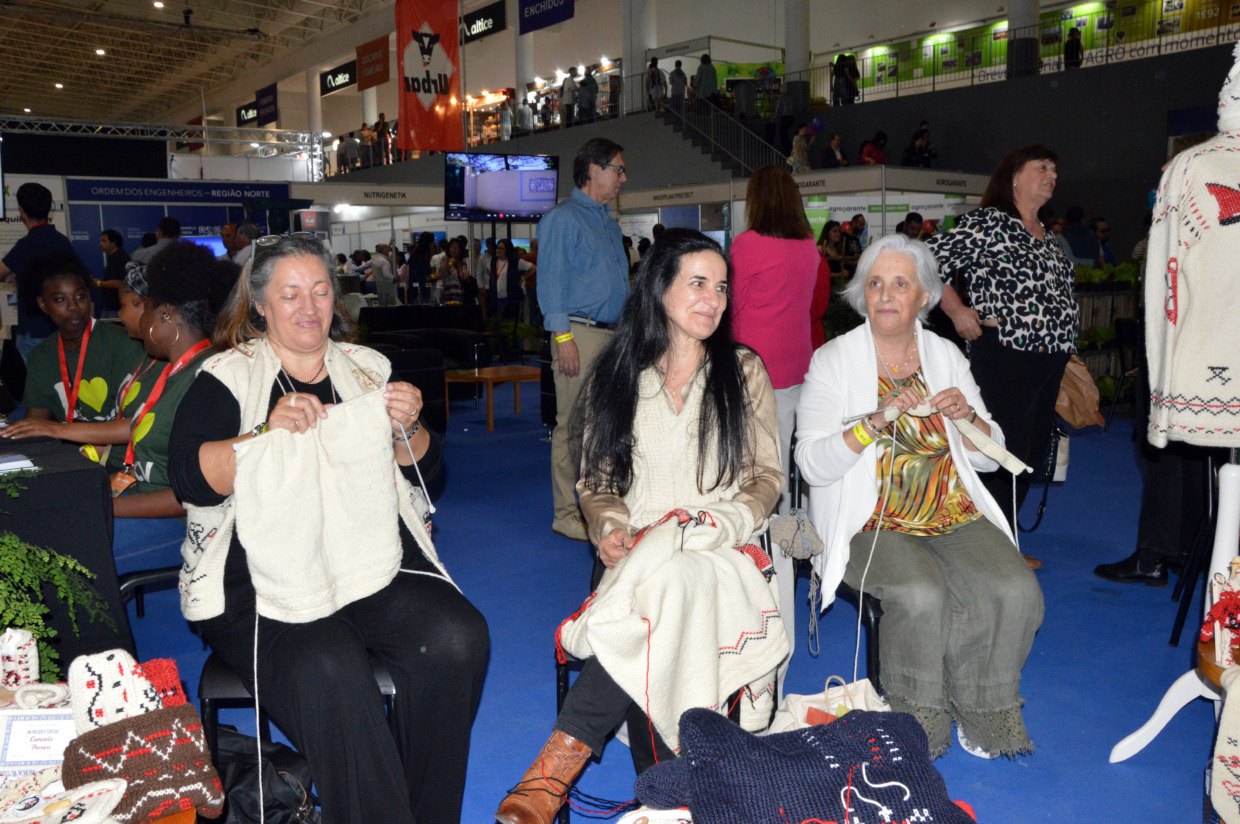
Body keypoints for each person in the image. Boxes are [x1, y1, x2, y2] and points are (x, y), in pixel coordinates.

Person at [166, 235, 489, 824]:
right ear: (259, 304)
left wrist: (408, 427)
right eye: (290, 294)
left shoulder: (367, 369)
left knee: (456, 636)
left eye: (319, 291)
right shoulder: (228, 377)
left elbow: (426, 467)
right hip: (254, 582)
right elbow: (189, 479)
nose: (308, 307)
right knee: (329, 663)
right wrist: (262, 434)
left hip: (364, 561)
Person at [496, 230, 785, 824]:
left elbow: (765, 477)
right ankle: (667, 794)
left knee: (666, 584)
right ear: (659, 289)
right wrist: (609, 528)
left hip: (721, 547)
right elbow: (597, 483)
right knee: (660, 582)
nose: (713, 299)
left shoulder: (743, 370)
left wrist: (719, 521)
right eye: (697, 283)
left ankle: (554, 771)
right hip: (638, 552)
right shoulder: (618, 373)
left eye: (721, 287)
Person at [795, 233, 1044, 760]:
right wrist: (871, 424)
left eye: (900, 284)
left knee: (1016, 589)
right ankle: (918, 720)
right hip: (872, 519)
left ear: (925, 296)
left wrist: (969, 418)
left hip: (952, 511)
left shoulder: (945, 355)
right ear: (862, 293)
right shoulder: (833, 360)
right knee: (921, 593)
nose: (885, 295)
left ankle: (982, 709)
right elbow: (811, 464)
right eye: (875, 283)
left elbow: (989, 456)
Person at [9, 244, 235, 519]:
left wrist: (99, 506)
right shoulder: (171, 371)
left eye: (142, 308)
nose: (129, 318)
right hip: (136, 491)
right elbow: (143, 454)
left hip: (173, 522)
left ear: (164, 314)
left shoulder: (205, 378)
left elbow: (193, 493)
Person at [925, 145, 1078, 542]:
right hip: (1006, 355)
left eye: (1054, 169)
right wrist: (956, 310)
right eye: (1042, 167)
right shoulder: (990, 222)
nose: (1052, 175)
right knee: (998, 450)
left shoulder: (1047, 234)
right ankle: (984, 544)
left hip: (1050, 361)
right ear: (1013, 177)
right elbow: (925, 260)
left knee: (1030, 453)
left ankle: (1003, 539)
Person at [728, 166, 820, 671]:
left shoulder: (747, 245)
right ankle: (794, 559)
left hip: (754, 372)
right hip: (797, 371)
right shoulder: (808, 247)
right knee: (786, 479)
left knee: (756, 479)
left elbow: (732, 310)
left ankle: (764, 576)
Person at [537, 138, 631, 542]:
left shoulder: (608, 222)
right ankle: (566, 513)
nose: (623, 178)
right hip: (579, 334)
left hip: (613, 336)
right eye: (618, 169)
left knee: (608, 427)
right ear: (594, 170)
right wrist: (563, 337)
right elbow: (551, 282)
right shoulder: (563, 219)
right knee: (572, 427)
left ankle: (600, 502)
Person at [18, 253, 145, 427]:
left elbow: (140, 420)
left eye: (80, 297)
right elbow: (36, 419)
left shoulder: (125, 343)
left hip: (121, 442)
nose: (73, 306)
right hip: (69, 442)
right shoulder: (41, 356)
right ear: (42, 304)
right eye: (60, 300)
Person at [0, 183, 77, 359]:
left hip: (35, 330)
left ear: (21, 210)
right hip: (62, 326)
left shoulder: (27, 244)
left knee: (40, 375)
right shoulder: (63, 242)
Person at [487, 238, 534, 319]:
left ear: (507, 249)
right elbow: (487, 269)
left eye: (502, 248)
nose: (499, 250)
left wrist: (522, 278)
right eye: (498, 248)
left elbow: (533, 268)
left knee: (510, 321)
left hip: (511, 297)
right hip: (496, 297)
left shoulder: (515, 261)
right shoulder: (494, 260)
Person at [95, 229, 130, 319]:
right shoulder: (114, 257)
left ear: (113, 242)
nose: (100, 243)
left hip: (116, 307)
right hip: (111, 307)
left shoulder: (119, 258)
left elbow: (117, 283)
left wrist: (98, 283)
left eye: (104, 241)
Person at [436, 237, 472, 304]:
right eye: (451, 247)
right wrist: (450, 263)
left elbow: (463, 274)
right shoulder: (445, 259)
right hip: (448, 295)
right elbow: (442, 273)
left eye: (456, 248)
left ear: (460, 250)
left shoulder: (462, 261)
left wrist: (466, 277)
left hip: (460, 295)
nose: (453, 250)